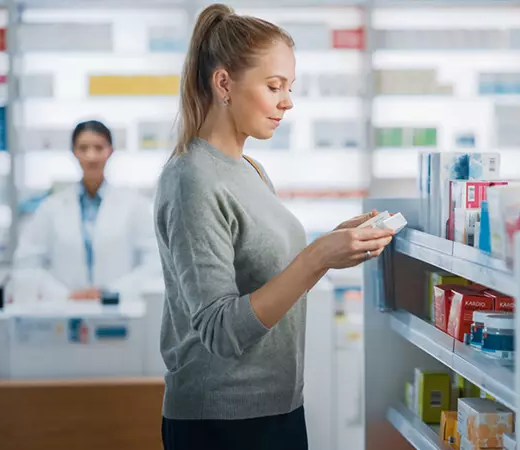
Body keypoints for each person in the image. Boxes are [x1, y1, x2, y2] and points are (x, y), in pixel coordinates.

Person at [154, 4, 394, 450]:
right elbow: (221, 330)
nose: (287, 101)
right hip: (222, 422)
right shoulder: (191, 179)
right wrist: (318, 256)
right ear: (224, 83)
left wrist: (334, 246)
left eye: (289, 87)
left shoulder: (249, 168)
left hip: (277, 408)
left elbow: (267, 276)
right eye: (274, 86)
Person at [11, 120, 160, 303]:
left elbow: (154, 264)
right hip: (64, 311)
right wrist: (65, 295)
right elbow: (27, 264)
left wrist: (111, 292)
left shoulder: (134, 206)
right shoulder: (50, 208)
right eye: (83, 148)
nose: (91, 156)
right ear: (74, 152)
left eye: (99, 147)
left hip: (119, 312)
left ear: (110, 151)